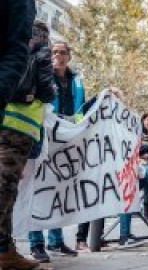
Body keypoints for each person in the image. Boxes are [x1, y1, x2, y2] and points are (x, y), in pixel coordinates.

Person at [0, 2, 46, 268]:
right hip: (18, 123)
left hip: (17, 124)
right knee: (5, 186)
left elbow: (15, 51)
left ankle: (5, 249)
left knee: (5, 185)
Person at [29, 40, 82, 261]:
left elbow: (80, 109)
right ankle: (36, 243)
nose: (58, 56)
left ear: (69, 56)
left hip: (66, 140)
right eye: (55, 52)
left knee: (60, 192)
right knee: (39, 190)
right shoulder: (42, 75)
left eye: (62, 53)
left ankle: (56, 241)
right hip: (45, 138)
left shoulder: (77, 81)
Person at [117, 111, 148, 249]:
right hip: (138, 169)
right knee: (129, 199)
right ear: (143, 120)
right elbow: (132, 149)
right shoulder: (135, 133)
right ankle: (124, 235)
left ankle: (128, 234)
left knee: (133, 199)